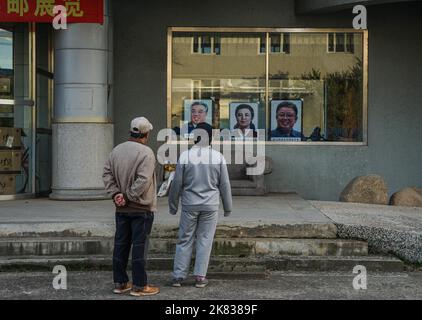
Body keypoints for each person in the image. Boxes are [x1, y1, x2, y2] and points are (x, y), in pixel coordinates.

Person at [168, 122, 232, 288]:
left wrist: (173, 205)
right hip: (210, 205)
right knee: (205, 240)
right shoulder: (218, 157)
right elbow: (224, 185)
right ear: (211, 138)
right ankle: (200, 277)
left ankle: (178, 276)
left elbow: (176, 184)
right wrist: (227, 207)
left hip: (189, 205)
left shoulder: (185, 156)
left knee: (184, 239)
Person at [102, 117, 160, 297]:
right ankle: (140, 286)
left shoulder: (116, 151)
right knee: (139, 247)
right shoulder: (147, 153)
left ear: (131, 132)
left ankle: (120, 283)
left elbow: (107, 174)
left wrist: (116, 195)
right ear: (146, 133)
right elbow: (144, 180)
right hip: (141, 209)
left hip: (121, 209)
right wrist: (128, 196)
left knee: (120, 245)